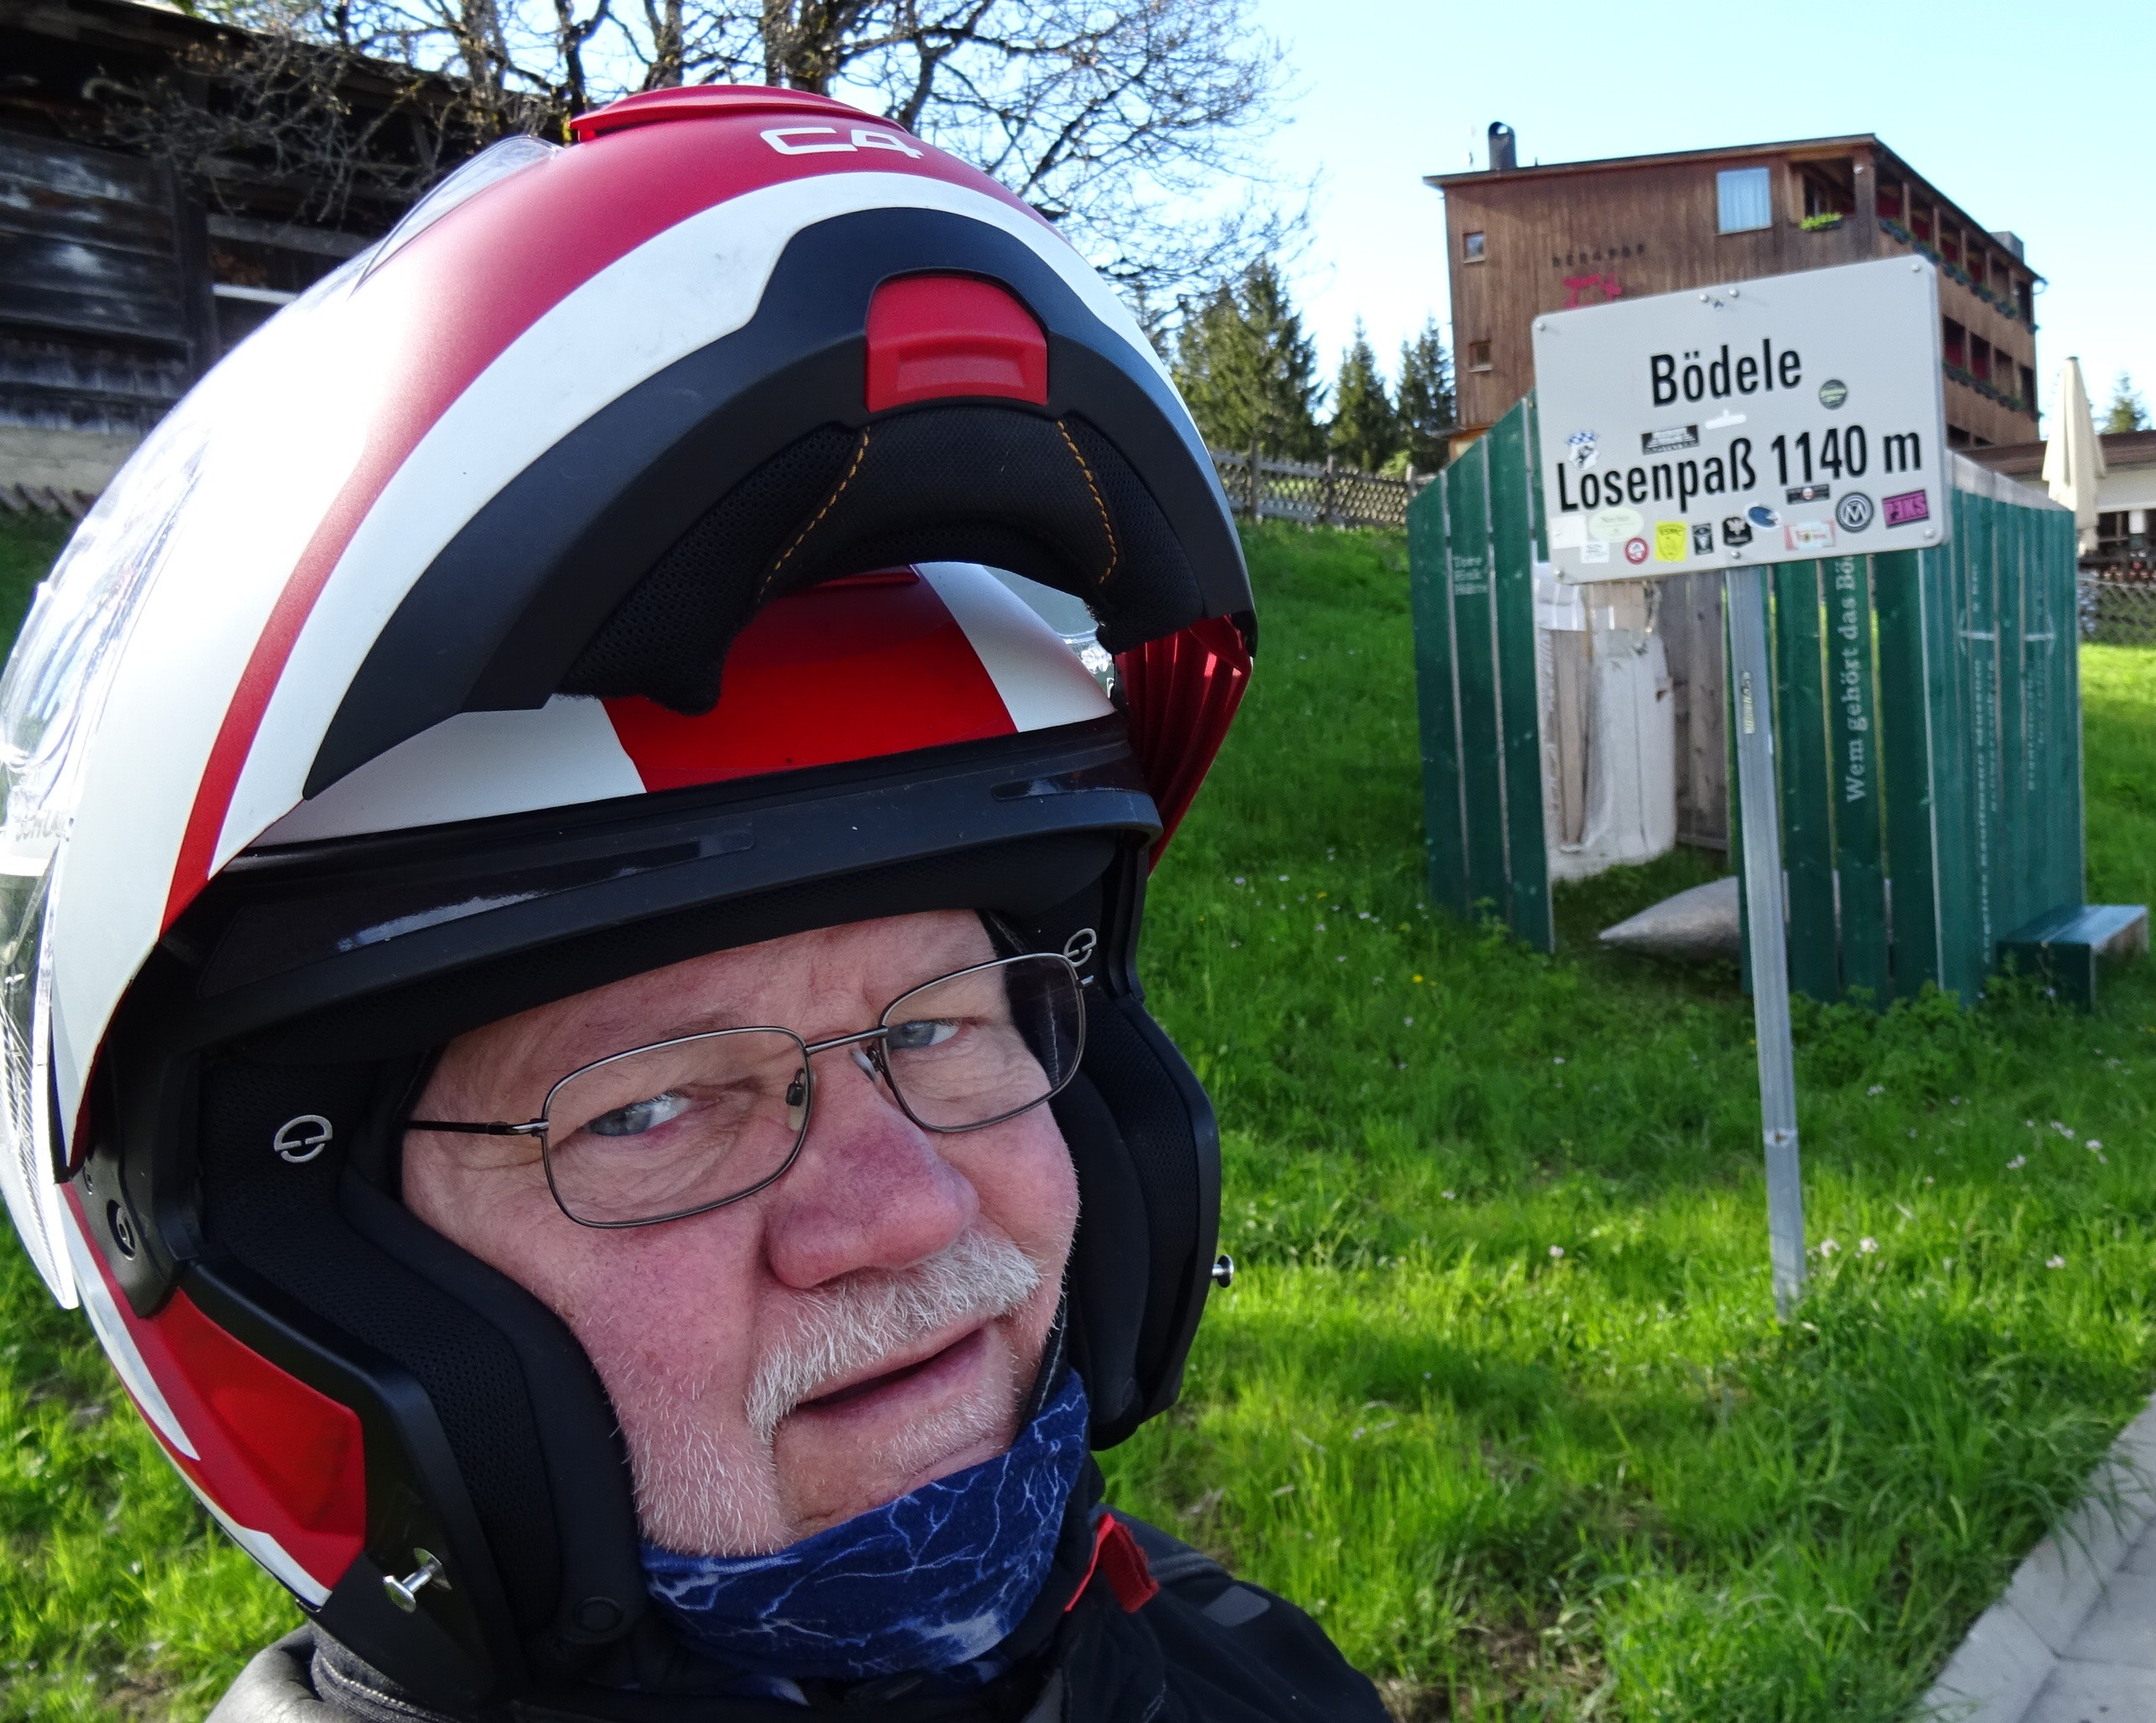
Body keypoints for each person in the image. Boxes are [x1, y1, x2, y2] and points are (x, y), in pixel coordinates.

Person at [0, 86, 1384, 1722]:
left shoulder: (1255, 1671)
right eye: (648, 1107)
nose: (906, 1213)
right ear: (312, 1277)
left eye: (941, 1027)